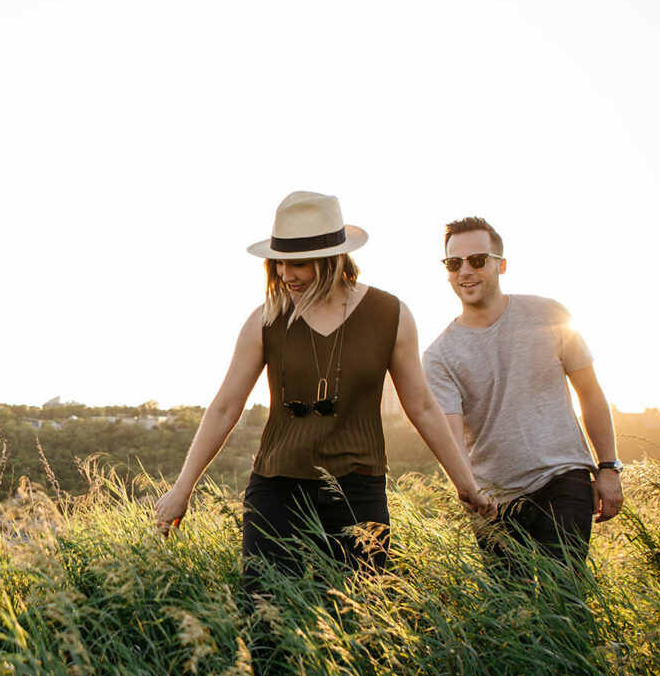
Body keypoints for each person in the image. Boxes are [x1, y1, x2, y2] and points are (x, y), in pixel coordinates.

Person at [153, 192, 497, 595]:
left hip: (359, 493)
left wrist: (466, 485)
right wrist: (183, 488)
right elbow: (225, 408)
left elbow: (422, 406)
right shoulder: (266, 319)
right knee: (268, 624)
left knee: (359, 626)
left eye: (297, 263)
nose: (285, 273)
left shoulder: (391, 315)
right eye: (278, 262)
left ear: (331, 259)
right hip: (276, 492)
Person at [422, 216, 623, 573]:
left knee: (565, 595)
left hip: (563, 478)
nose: (465, 271)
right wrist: (467, 489)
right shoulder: (439, 356)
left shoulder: (549, 315)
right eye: (454, 264)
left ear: (501, 264)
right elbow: (451, 435)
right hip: (492, 501)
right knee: (512, 614)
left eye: (477, 260)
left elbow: (590, 393)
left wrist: (608, 468)